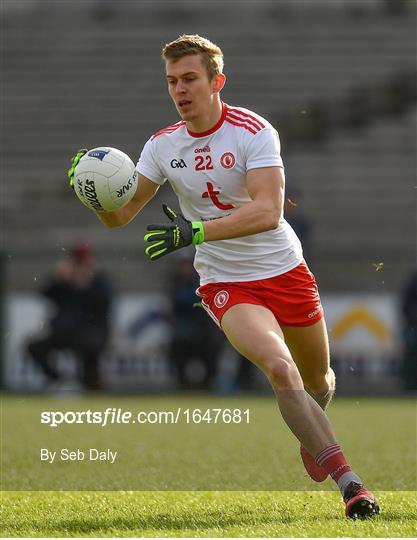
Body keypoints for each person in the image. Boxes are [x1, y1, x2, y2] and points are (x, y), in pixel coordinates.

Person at [68, 35, 379, 519]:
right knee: (280, 368)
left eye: (190, 79)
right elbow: (122, 214)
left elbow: (268, 212)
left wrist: (193, 231)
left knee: (318, 381)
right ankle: (352, 485)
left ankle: (312, 434)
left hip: (285, 271)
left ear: (217, 81)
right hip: (225, 283)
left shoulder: (252, 131)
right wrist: (93, 195)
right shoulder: (161, 146)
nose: (180, 90)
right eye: (172, 81)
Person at [27, 242, 114, 390]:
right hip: (65, 332)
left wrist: (85, 283)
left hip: (91, 332)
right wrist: (59, 278)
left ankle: (91, 385)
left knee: (89, 348)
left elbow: (105, 302)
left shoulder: (99, 279)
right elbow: (44, 293)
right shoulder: (63, 281)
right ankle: (58, 380)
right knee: (35, 347)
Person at [168, 255, 221, 390]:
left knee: (213, 346)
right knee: (176, 349)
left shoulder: (203, 282)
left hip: (203, 330)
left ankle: (209, 383)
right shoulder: (175, 284)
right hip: (183, 330)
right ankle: (182, 383)